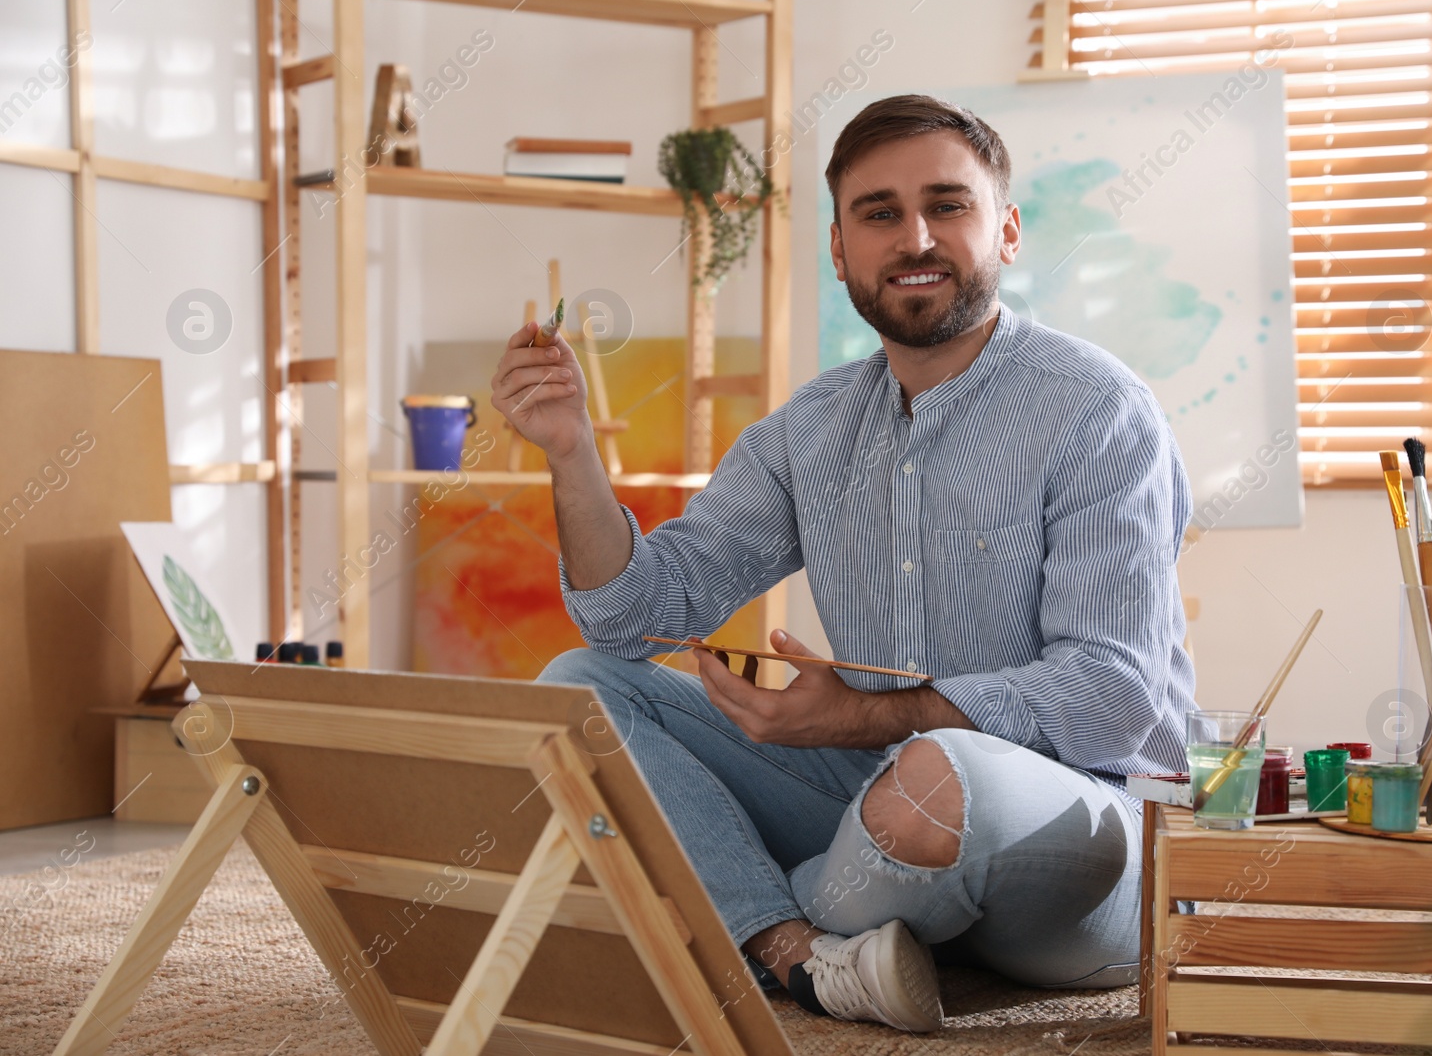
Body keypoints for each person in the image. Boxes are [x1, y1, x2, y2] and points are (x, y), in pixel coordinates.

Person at [489, 94, 1196, 1034]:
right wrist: (571, 449)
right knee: (578, 687)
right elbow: (633, 618)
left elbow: (1114, 697)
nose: (915, 237)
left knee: (938, 775)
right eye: (879, 213)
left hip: (1083, 831)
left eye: (948, 205)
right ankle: (796, 949)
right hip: (876, 798)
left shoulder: (1099, 410)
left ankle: (718, 904)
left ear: (1007, 231)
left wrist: (867, 714)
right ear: (839, 250)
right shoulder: (810, 430)